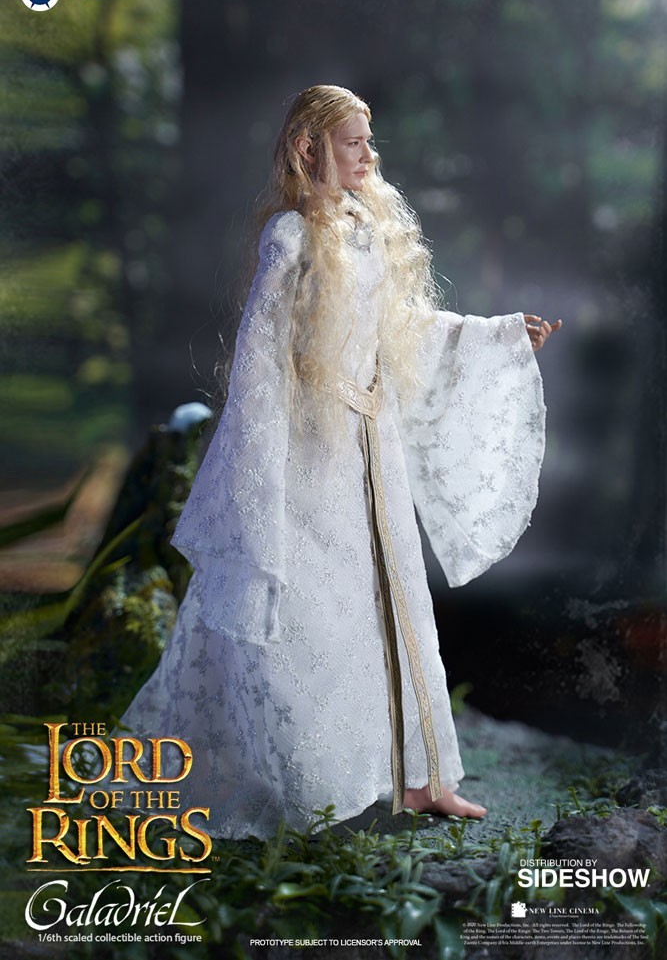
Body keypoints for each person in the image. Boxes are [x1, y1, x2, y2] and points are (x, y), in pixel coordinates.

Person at [120, 85, 561, 840]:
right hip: (313, 447)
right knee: (314, 607)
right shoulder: (290, 236)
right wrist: (260, 463)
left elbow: (401, 328)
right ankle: (306, 778)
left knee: (393, 602)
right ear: (308, 147)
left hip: (371, 445)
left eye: (367, 140)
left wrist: (498, 335)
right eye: (352, 141)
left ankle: (421, 780)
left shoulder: (364, 226)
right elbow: (261, 356)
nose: (367, 154)